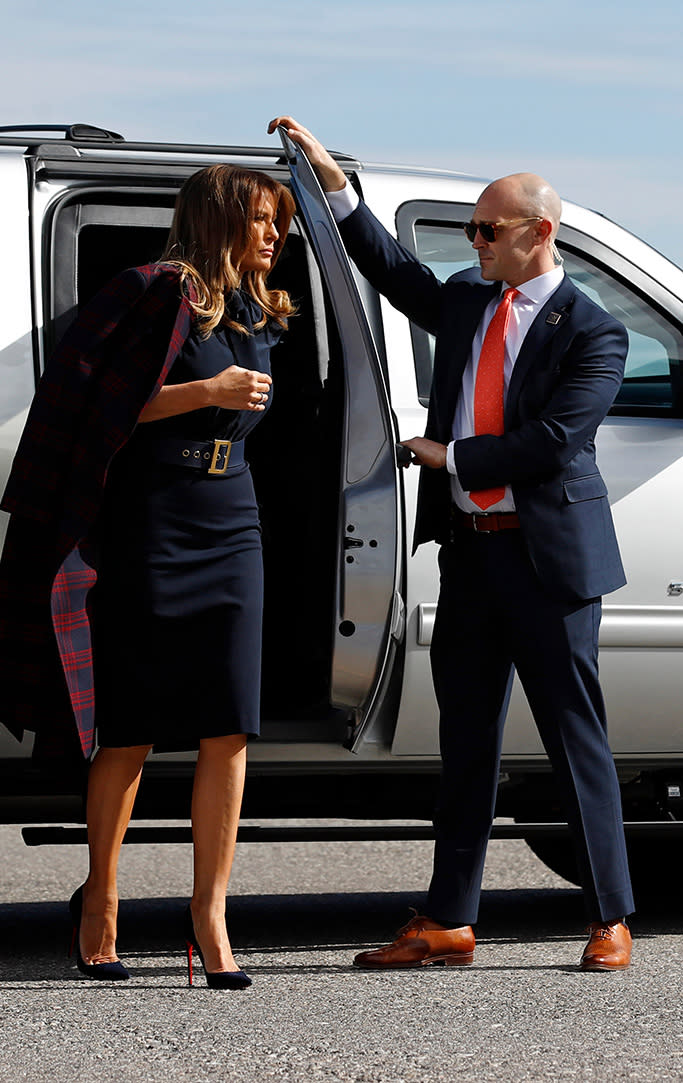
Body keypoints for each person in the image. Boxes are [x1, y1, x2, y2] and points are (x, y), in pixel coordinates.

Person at [268, 116, 634, 972]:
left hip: (549, 564)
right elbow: (394, 273)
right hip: (470, 553)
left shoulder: (593, 329)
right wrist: (332, 185)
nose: (472, 243)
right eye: (470, 229)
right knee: (465, 741)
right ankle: (448, 919)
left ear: (538, 233)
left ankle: (610, 915)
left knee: (572, 737)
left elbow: (553, 440)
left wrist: (449, 455)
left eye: (486, 230)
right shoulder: (470, 298)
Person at [0, 164, 296, 987]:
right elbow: (96, 404)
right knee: (128, 727)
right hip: (151, 517)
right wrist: (206, 389)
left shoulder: (257, 309)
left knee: (229, 726)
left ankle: (210, 914)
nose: (275, 235)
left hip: (232, 517)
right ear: (220, 220)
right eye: (263, 220)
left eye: (279, 220)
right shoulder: (152, 290)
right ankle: (102, 900)